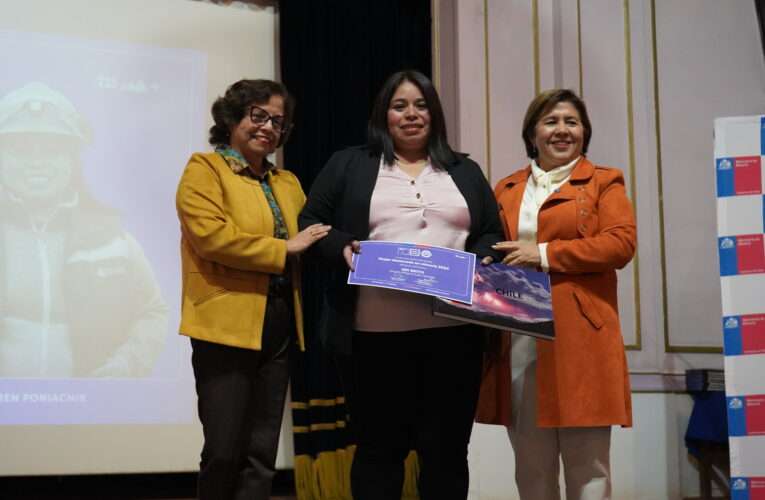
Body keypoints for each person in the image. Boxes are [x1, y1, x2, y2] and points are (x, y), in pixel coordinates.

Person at [299, 70, 503, 500]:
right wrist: (343, 249)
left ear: (434, 114)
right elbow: (311, 223)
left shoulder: (465, 170)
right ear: (383, 115)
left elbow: (489, 232)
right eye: (400, 106)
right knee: (378, 452)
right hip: (372, 338)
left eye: (421, 105)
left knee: (447, 453)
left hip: (455, 335)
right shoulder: (349, 163)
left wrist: (482, 258)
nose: (411, 114)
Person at [476, 89, 637, 500]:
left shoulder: (605, 182)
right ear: (532, 134)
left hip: (582, 339)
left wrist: (544, 254)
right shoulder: (506, 188)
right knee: (531, 470)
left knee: (589, 469)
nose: (562, 130)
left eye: (571, 121)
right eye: (551, 121)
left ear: (585, 132)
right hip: (520, 339)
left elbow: (620, 244)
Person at [175, 79, 330, 500]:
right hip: (224, 323)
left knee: (261, 453)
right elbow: (212, 238)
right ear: (232, 119)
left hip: (278, 319)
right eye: (257, 115)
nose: (267, 127)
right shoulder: (204, 169)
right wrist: (284, 248)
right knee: (225, 451)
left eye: (277, 121)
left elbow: (315, 236)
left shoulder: (289, 182)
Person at [0, 82, 167, 378]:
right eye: (22, 148)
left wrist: (125, 367)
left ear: (72, 159)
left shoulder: (112, 239)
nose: (37, 162)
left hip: (89, 417)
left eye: (52, 149)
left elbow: (151, 312)